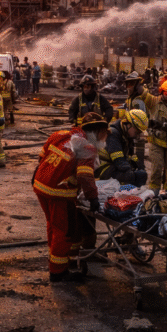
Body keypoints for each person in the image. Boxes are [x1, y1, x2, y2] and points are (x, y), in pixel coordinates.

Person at [32, 112, 109, 282]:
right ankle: (58, 272)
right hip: (59, 192)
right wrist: (93, 198)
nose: (105, 139)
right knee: (64, 231)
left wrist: (38, 173)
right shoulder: (86, 147)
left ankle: (62, 261)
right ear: (95, 131)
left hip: (40, 186)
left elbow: (42, 155)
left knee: (53, 225)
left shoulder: (60, 135)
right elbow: (85, 175)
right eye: (104, 134)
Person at [95, 108, 148, 186]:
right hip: (103, 170)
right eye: (137, 130)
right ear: (128, 124)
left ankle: (131, 195)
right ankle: (125, 194)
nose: (138, 134)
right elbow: (119, 160)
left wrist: (139, 166)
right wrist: (131, 172)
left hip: (113, 167)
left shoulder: (126, 136)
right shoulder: (113, 133)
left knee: (141, 174)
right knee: (131, 176)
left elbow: (131, 156)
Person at [123, 71, 149, 166]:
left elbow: (140, 117)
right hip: (132, 129)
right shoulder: (131, 98)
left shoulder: (138, 100)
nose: (129, 86)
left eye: (132, 84)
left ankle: (139, 168)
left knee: (138, 152)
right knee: (131, 152)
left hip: (137, 130)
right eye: (128, 84)